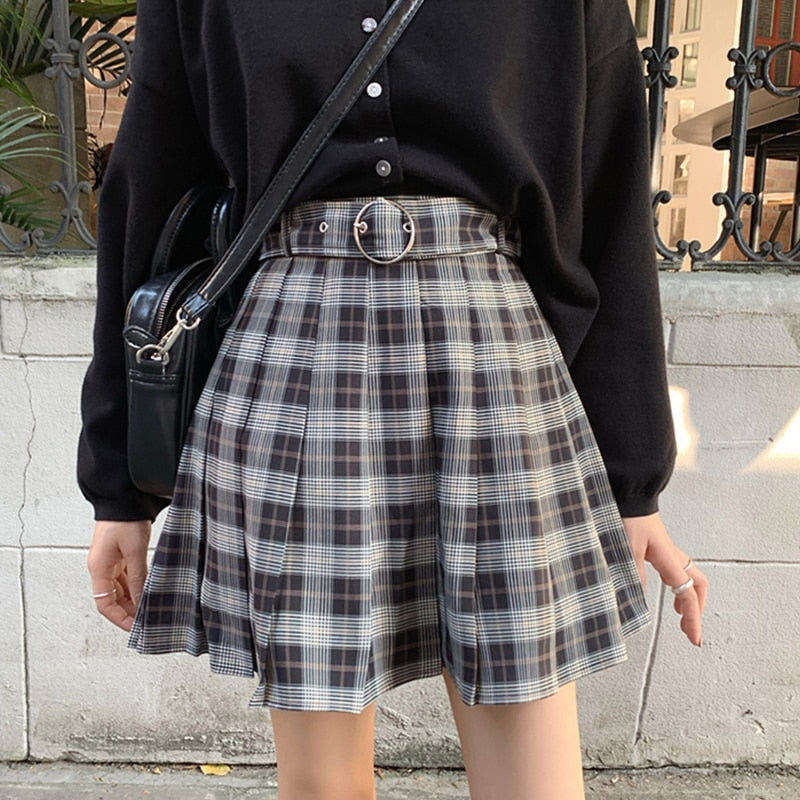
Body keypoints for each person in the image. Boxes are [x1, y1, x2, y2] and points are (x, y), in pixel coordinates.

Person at [79, 1, 709, 797]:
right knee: (322, 780)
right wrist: (117, 486)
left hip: (494, 361)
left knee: (534, 773)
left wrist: (632, 480)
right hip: (297, 355)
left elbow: (610, 194)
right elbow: (148, 187)